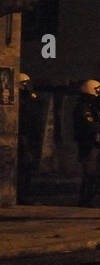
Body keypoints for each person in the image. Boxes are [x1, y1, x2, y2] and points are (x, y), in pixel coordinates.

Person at [73, 79, 100, 206]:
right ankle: (84, 201)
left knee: (96, 173)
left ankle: (87, 199)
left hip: (95, 144)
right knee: (90, 174)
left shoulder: (93, 106)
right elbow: (88, 125)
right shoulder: (83, 107)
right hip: (88, 144)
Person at [16, 74, 43, 203]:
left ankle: (24, 195)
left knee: (28, 168)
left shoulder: (30, 98)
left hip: (31, 136)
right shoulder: (20, 99)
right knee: (23, 168)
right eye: (24, 83)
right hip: (24, 136)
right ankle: (21, 196)